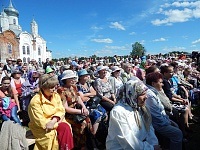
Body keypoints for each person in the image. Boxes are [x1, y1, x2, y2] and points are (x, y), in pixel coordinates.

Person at [106, 79, 160, 150]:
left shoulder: (141, 108)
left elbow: (149, 129)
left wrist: (154, 144)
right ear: (132, 94)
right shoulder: (118, 112)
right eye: (142, 94)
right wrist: (150, 148)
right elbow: (126, 140)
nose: (146, 97)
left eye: (145, 93)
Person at [28, 74, 74, 150]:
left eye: (55, 87)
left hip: (55, 122)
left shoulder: (55, 95)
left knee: (65, 127)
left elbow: (61, 110)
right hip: (42, 128)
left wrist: (54, 120)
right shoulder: (35, 101)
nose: (54, 89)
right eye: (51, 87)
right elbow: (41, 122)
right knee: (54, 135)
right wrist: (55, 122)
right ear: (43, 88)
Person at [146, 72, 183, 150]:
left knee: (176, 126)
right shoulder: (150, 96)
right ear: (153, 83)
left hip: (160, 121)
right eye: (160, 82)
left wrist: (168, 120)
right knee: (177, 134)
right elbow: (156, 117)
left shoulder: (153, 92)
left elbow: (160, 111)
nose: (162, 84)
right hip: (156, 124)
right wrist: (167, 122)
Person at [57, 70, 89, 149]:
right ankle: (79, 145)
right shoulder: (61, 90)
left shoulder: (74, 87)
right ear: (65, 80)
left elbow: (78, 98)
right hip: (68, 114)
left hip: (77, 111)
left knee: (88, 120)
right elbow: (66, 108)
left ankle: (86, 143)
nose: (73, 80)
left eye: (73, 78)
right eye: (70, 78)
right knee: (82, 123)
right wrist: (80, 111)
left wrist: (84, 107)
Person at [77, 69, 107, 135]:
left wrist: (86, 94)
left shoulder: (88, 84)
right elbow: (82, 98)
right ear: (81, 77)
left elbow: (94, 92)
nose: (87, 76)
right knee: (97, 115)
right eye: (85, 75)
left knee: (104, 112)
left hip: (92, 103)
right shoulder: (78, 86)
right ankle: (93, 133)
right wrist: (90, 94)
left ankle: (100, 131)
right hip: (85, 105)